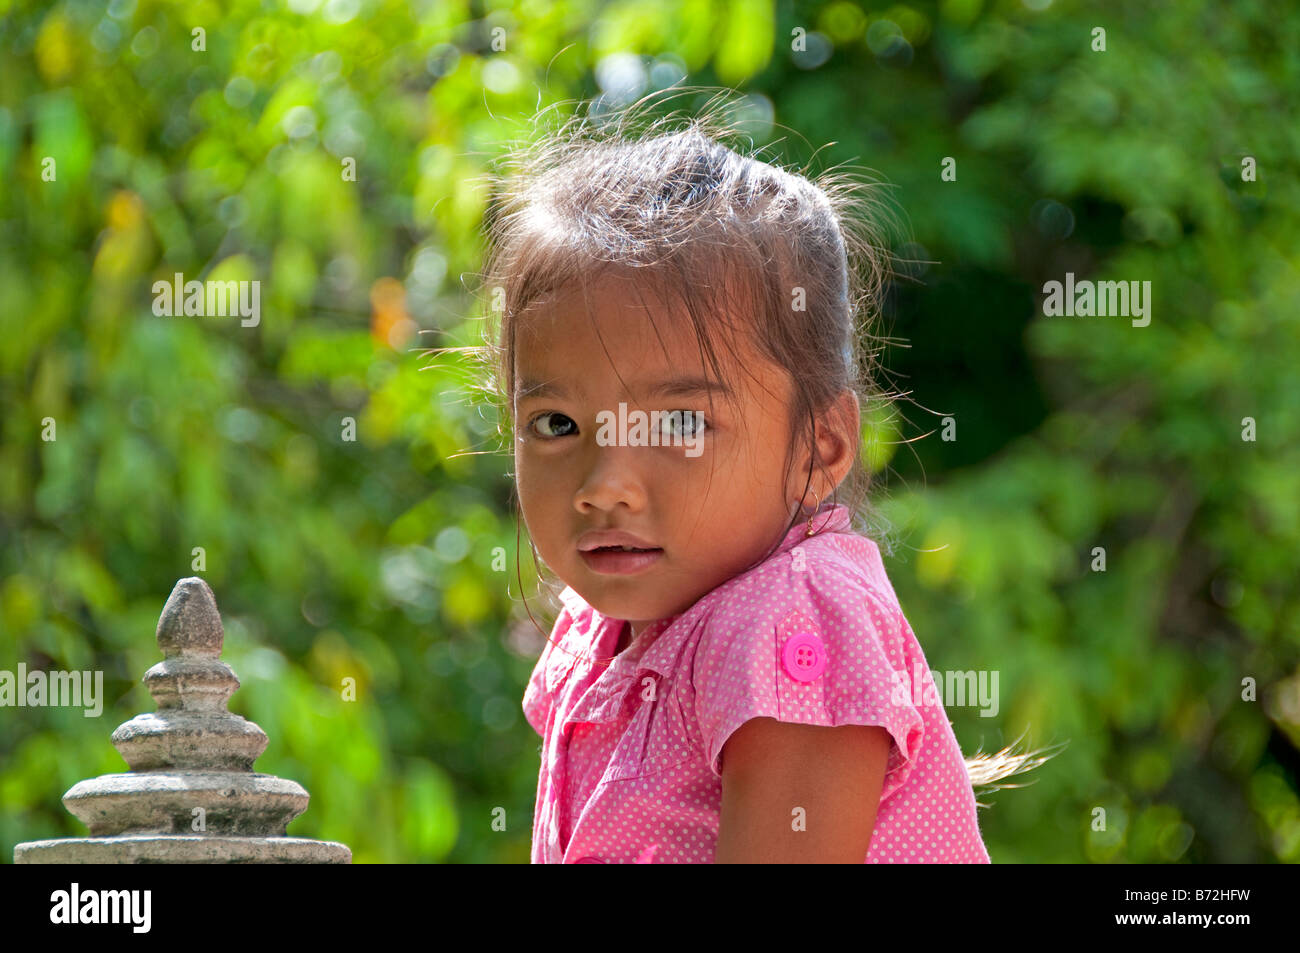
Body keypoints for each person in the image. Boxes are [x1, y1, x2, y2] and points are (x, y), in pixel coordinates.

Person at [462, 93, 1052, 863]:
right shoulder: (608, 627)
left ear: (820, 446)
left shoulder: (792, 619)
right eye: (558, 425)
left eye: (679, 424)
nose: (605, 484)